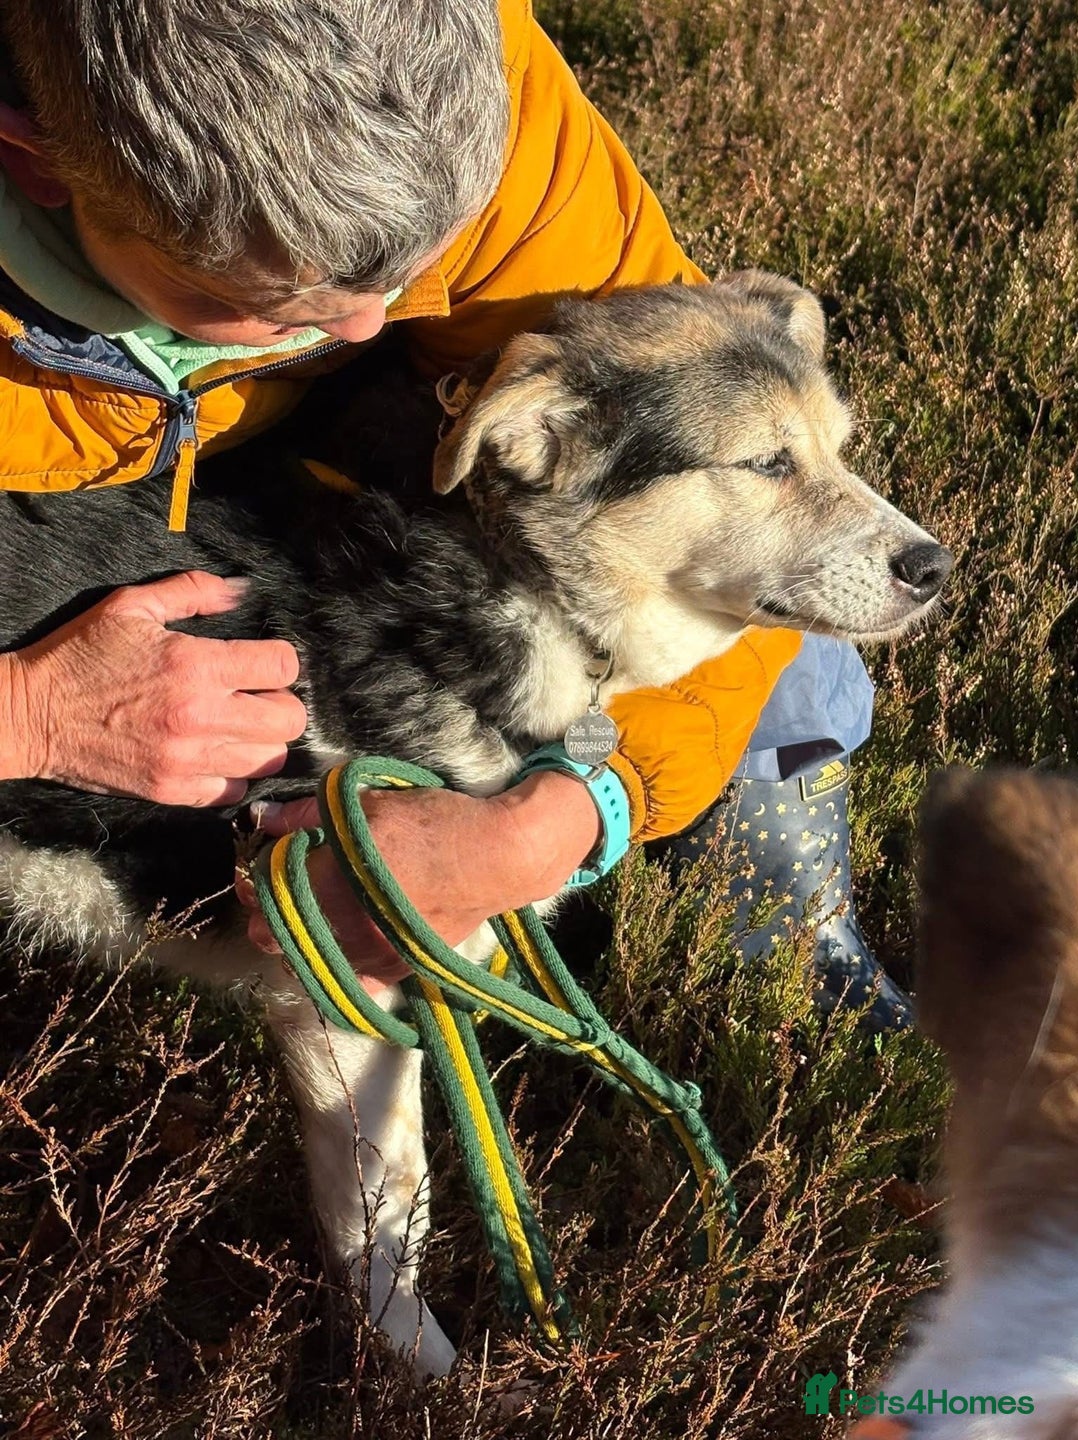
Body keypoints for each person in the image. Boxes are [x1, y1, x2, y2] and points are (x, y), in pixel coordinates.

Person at [0, 0, 903, 1027]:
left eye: (408, 263)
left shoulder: (487, 108)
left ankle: (784, 930)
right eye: (287, 295)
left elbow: (708, 419)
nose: (370, 323)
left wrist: (562, 822)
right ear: (39, 163)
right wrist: (30, 714)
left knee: (737, 538)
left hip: (329, 483)